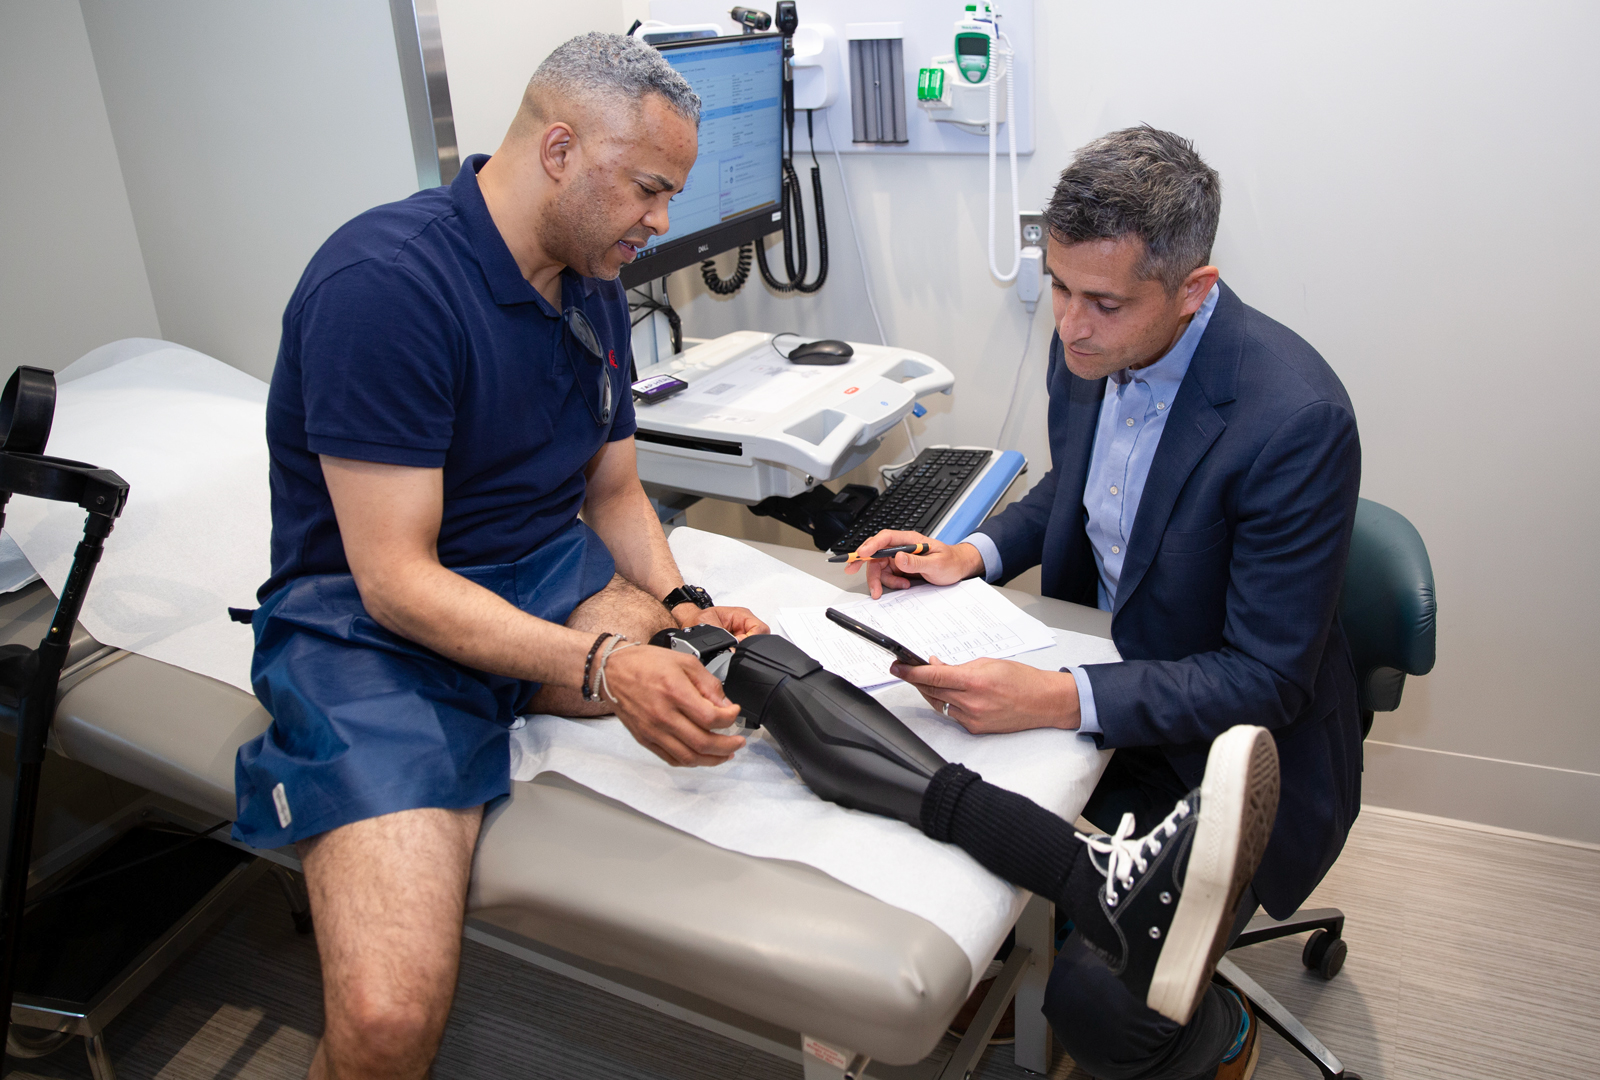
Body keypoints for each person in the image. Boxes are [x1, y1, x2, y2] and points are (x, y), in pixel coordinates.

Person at [230, 34, 767, 1080]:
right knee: (387, 1022)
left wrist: (682, 599)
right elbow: (394, 581)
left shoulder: (589, 273)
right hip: (373, 629)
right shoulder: (384, 285)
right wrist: (605, 664)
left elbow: (611, 490)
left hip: (538, 574)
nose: (662, 221)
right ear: (560, 150)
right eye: (650, 188)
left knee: (732, 682)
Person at [850, 126, 1362, 1080]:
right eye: (1058, 286)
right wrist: (973, 552)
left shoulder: (1296, 421)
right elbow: (1078, 490)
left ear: (1194, 290)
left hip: (1234, 751)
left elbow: (1266, 678)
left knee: (1097, 999)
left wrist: (1054, 699)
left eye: (1103, 301)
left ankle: (1215, 1039)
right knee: (925, 815)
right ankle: (1023, 968)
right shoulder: (1090, 345)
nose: (1070, 324)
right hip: (1114, 686)